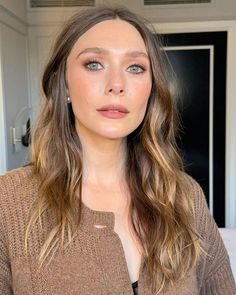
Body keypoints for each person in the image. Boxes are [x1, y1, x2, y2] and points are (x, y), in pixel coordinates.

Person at [0, 6, 235, 295]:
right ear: (64, 84)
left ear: (151, 89)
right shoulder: (8, 202)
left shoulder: (184, 196)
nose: (116, 85)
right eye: (94, 64)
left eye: (135, 67)